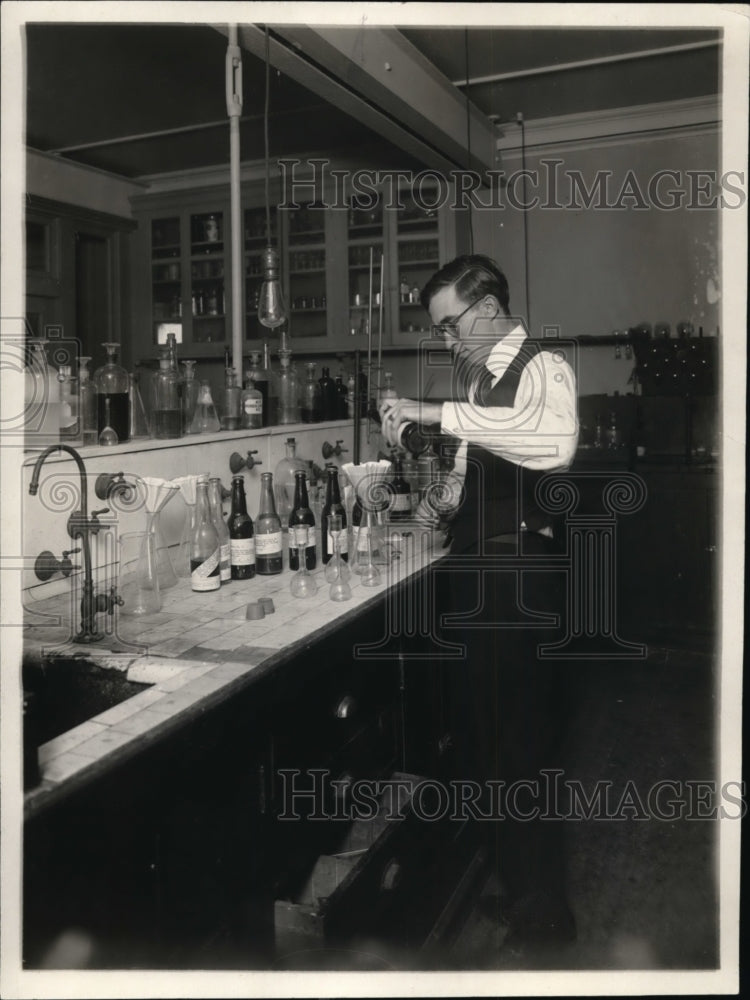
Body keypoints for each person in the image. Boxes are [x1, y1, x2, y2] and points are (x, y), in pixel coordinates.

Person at [381, 254, 579, 947]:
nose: (446, 341)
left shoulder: (545, 369)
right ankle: (528, 895)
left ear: (490, 310)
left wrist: (430, 411)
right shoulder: (486, 388)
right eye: (439, 332)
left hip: (520, 577)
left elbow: (551, 443)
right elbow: (463, 488)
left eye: (450, 327)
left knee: (521, 743)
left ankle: (547, 918)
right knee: (491, 743)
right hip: (482, 574)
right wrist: (420, 485)